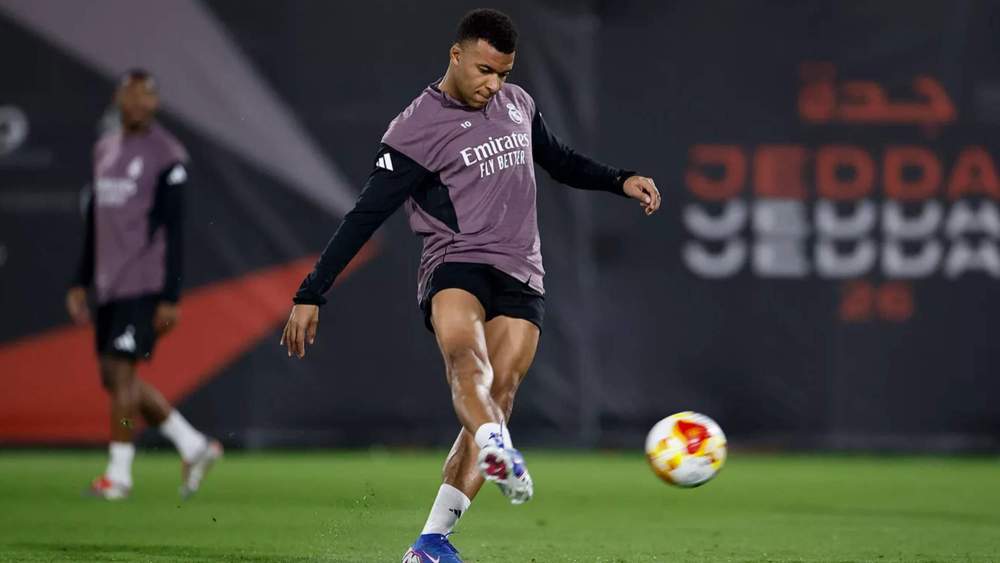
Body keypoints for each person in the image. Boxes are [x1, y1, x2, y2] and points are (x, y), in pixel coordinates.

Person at [280, 9, 660, 562]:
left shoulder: (516, 103)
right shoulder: (414, 128)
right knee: (465, 358)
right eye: (485, 70)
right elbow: (365, 214)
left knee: (499, 392)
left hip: (522, 272)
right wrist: (312, 291)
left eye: (503, 73)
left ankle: (431, 542)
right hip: (455, 262)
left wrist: (620, 180)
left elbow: (558, 160)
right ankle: (494, 446)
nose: (494, 84)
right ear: (455, 56)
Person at [67, 69, 222, 500]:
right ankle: (193, 444)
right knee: (116, 379)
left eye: (145, 94)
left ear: (155, 103)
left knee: (121, 375)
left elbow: (174, 231)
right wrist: (80, 280)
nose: (136, 101)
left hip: (144, 282)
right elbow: (95, 221)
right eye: (129, 93)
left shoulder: (167, 155)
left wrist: (170, 296)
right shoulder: (104, 150)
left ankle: (119, 476)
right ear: (119, 99)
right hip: (108, 283)